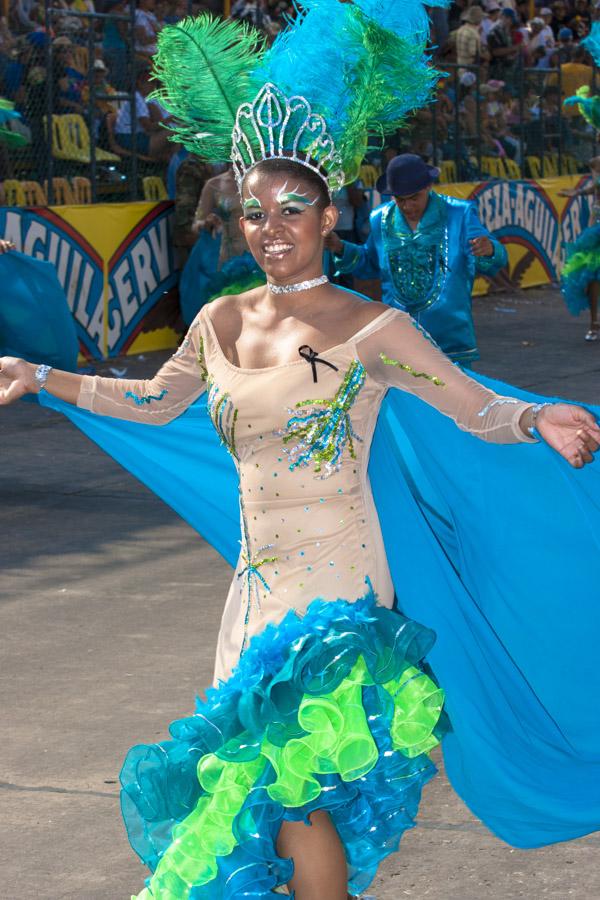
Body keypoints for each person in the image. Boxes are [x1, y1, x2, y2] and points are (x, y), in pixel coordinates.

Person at [3, 6, 600, 900]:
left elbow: (472, 408)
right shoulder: (218, 319)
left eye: (293, 209)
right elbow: (156, 403)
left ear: (329, 214)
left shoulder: (373, 329)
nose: (271, 228)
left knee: (297, 788)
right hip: (253, 585)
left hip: (340, 578)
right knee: (264, 787)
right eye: (254, 213)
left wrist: (535, 419)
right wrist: (44, 377)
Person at [326, 153, 508, 365]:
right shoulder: (380, 219)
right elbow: (369, 262)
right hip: (399, 339)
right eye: (400, 200)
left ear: (429, 187)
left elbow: (497, 259)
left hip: (450, 341)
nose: (408, 206)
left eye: (414, 198)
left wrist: (489, 250)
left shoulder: (460, 215)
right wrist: (340, 248)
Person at [559, 153, 600, 340]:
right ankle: (594, 323)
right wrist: (579, 193)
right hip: (596, 230)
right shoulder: (596, 162)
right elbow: (596, 182)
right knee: (591, 277)